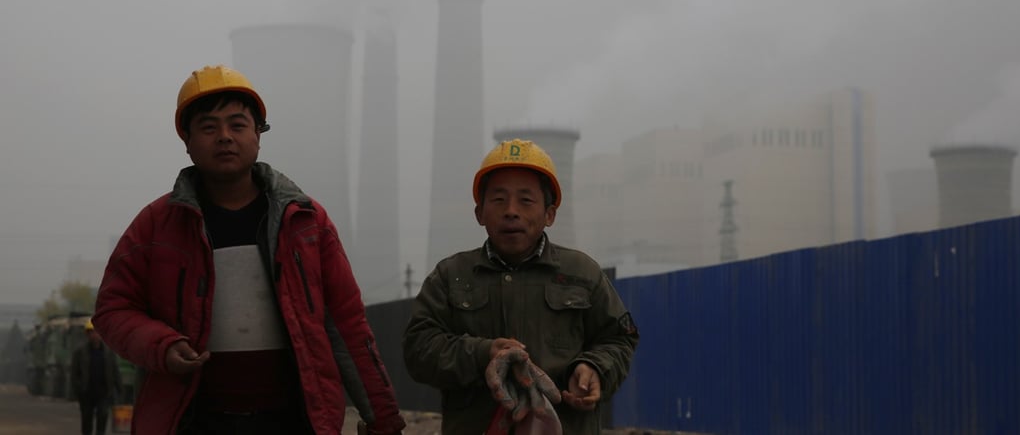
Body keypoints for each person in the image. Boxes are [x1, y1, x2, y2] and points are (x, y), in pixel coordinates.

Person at [93, 65, 405, 435]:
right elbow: (113, 308)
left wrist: (383, 418)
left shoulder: (306, 222)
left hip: (293, 420)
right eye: (209, 127)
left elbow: (348, 326)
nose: (224, 137)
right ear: (187, 141)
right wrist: (161, 346)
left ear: (258, 135)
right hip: (193, 420)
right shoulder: (157, 225)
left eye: (237, 125)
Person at [403, 139, 639, 433]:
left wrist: (594, 368)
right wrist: (483, 353)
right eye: (499, 199)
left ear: (549, 214)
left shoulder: (582, 273)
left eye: (526, 200)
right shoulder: (450, 276)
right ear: (479, 213)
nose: (511, 211)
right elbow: (418, 348)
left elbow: (619, 338)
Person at [71, 320, 123, 435]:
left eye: (97, 332)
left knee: (103, 416)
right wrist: (77, 390)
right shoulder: (79, 352)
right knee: (86, 421)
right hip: (86, 393)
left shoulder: (108, 352)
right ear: (87, 334)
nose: (95, 335)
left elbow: (115, 371)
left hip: (103, 393)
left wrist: (119, 390)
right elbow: (74, 374)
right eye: (91, 332)